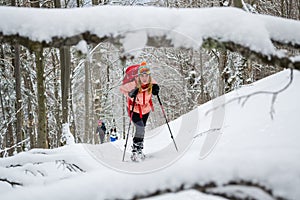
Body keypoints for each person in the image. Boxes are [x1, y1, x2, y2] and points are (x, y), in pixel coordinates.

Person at [120, 62, 160, 160]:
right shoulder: (133, 84)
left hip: (146, 109)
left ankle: (139, 150)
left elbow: (156, 86)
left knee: (141, 129)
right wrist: (130, 94)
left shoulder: (151, 82)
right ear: (139, 75)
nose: (145, 78)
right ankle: (135, 152)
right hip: (134, 109)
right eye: (142, 75)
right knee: (140, 127)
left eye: (147, 75)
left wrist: (156, 89)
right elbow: (122, 89)